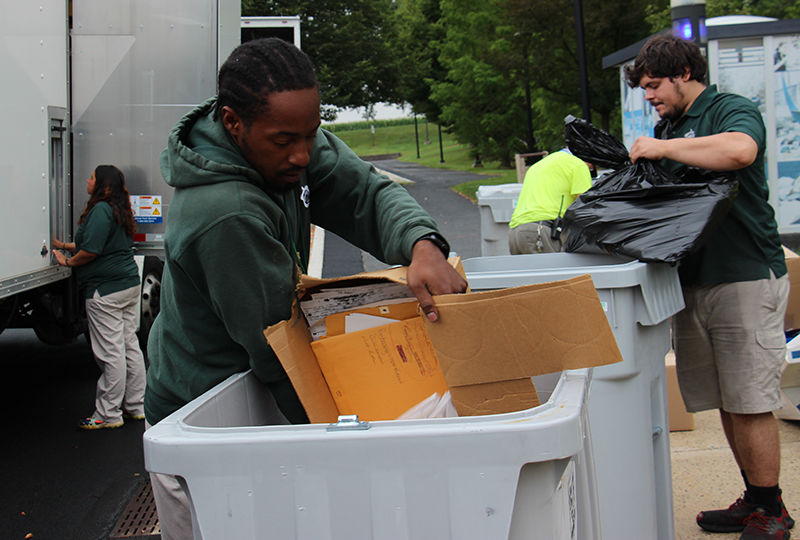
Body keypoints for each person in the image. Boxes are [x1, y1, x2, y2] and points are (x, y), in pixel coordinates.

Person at [144, 37, 468, 540]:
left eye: (312, 134)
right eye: (285, 141)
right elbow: (281, 350)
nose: (303, 155)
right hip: (206, 427)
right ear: (233, 123)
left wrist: (423, 245)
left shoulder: (285, 135)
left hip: (260, 399)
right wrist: (364, 447)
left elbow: (364, 191)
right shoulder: (224, 213)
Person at [626, 35, 794, 540]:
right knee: (726, 397)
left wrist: (663, 147)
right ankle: (754, 496)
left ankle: (774, 513)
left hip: (742, 275)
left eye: (654, 85)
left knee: (751, 398)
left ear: (682, 71)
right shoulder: (669, 126)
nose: (649, 97)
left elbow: (741, 151)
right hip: (693, 280)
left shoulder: (729, 110)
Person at [52, 165, 146, 430]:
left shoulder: (100, 210)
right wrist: (65, 246)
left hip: (105, 290)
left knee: (110, 353)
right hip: (127, 285)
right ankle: (136, 405)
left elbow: (91, 251)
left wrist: (67, 262)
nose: (87, 179)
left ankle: (107, 414)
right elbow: (105, 244)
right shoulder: (120, 209)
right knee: (129, 346)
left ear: (103, 184)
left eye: (91, 176)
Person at [507, 149, 593, 254]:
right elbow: (586, 206)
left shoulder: (538, 166)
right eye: (591, 166)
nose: (590, 169)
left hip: (515, 232)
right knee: (554, 269)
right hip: (540, 232)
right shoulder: (577, 165)